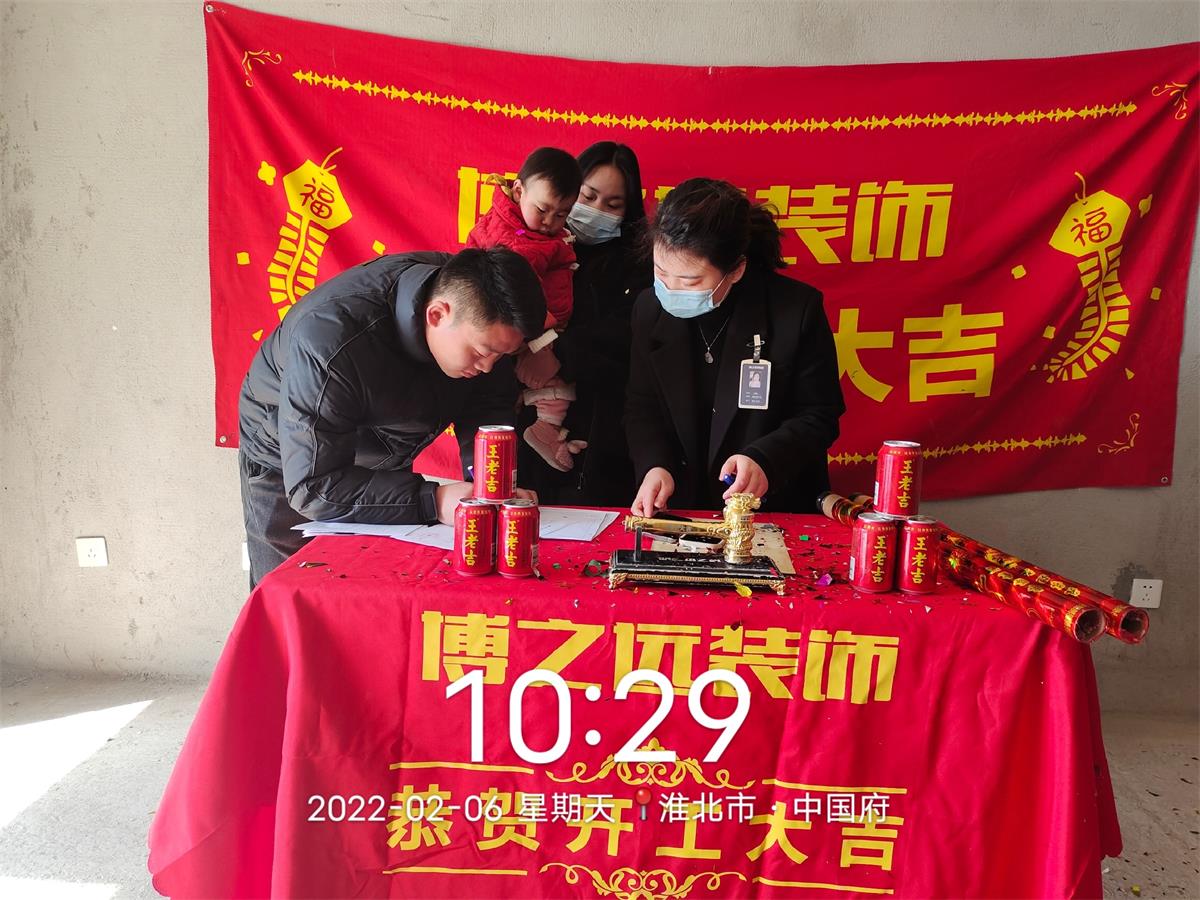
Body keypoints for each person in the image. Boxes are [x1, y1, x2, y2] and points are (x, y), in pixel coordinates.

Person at [238, 248, 546, 587]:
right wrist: (434, 501)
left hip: (380, 445)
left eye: (501, 356)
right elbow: (313, 487)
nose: (488, 367)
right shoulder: (332, 342)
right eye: (480, 353)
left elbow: (488, 403)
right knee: (293, 589)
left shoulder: (472, 303)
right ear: (436, 315)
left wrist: (488, 486)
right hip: (288, 459)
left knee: (375, 582)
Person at [626, 177, 845, 517]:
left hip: (771, 507)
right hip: (682, 508)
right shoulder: (649, 309)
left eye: (690, 281)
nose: (671, 289)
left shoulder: (794, 311)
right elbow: (642, 404)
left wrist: (765, 458)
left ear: (736, 269)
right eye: (661, 273)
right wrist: (655, 465)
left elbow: (819, 414)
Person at [515, 141, 652, 507]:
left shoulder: (641, 265)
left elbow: (632, 340)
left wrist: (561, 354)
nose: (596, 211)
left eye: (613, 204)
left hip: (600, 431)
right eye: (587, 197)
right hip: (526, 417)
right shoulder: (530, 246)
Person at [466, 147, 585, 472]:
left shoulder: (531, 232)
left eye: (561, 214)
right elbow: (513, 300)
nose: (549, 222)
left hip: (540, 326)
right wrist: (538, 336)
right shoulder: (516, 242)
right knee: (552, 382)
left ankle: (544, 427)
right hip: (528, 329)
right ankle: (546, 429)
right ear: (518, 191)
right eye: (542, 210)